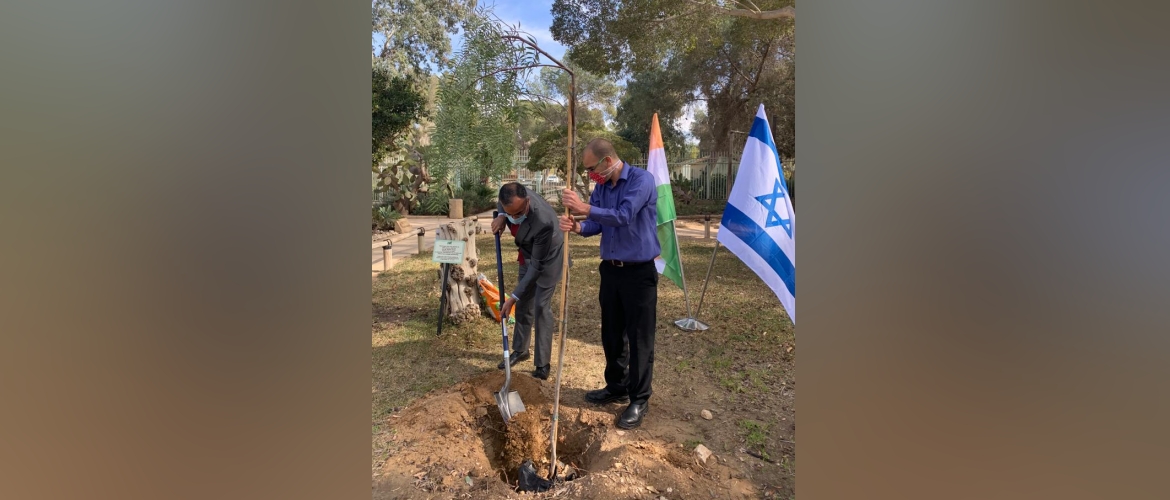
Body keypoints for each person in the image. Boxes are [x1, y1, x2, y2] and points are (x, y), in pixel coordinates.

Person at [558, 138, 660, 429]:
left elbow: (623, 216)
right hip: (611, 271)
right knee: (612, 333)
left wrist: (584, 208)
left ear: (607, 161)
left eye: (592, 169)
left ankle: (639, 398)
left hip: (639, 273)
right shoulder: (602, 188)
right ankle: (616, 386)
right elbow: (600, 224)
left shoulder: (642, 181)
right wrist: (578, 226)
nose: (591, 176)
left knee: (639, 337)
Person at [491, 182, 564, 380]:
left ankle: (542, 364)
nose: (515, 217)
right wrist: (501, 216)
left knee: (540, 306)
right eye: (511, 213)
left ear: (528, 201)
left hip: (547, 259)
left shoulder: (543, 221)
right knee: (524, 304)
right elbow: (502, 204)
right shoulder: (511, 195)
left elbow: (536, 268)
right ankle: (521, 350)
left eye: (519, 212)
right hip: (528, 253)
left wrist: (512, 296)